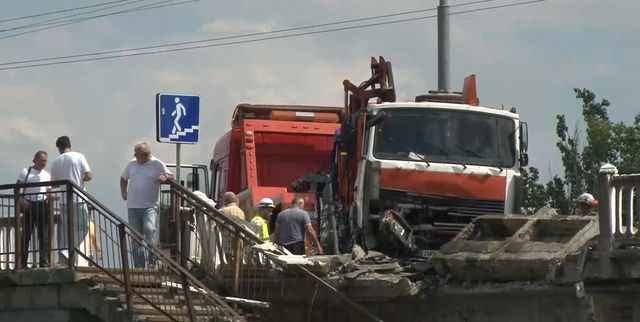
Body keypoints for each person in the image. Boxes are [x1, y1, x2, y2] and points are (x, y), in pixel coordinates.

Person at [120, 142, 173, 268]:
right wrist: (123, 192)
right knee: (135, 236)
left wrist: (165, 177)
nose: (134, 155)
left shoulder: (156, 163)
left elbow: (170, 175)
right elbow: (123, 178)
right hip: (133, 206)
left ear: (144, 154)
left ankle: (152, 261)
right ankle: (139, 265)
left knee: (150, 230)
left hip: (150, 205)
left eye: (136, 153)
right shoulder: (132, 164)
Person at [50, 135, 92, 266]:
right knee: (82, 227)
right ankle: (68, 251)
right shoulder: (79, 156)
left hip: (63, 200)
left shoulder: (55, 162)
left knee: (65, 229)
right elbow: (89, 175)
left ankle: (62, 258)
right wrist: (79, 178)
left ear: (59, 148)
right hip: (78, 197)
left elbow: (54, 183)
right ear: (69, 144)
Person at [16, 151, 52, 268]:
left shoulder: (47, 175)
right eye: (42, 160)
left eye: (45, 161)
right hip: (29, 205)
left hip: (42, 205)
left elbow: (48, 190)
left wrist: (49, 196)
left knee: (43, 235)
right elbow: (17, 188)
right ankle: (23, 262)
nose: (44, 163)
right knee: (26, 234)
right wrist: (22, 201)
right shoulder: (26, 172)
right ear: (35, 159)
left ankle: (43, 261)